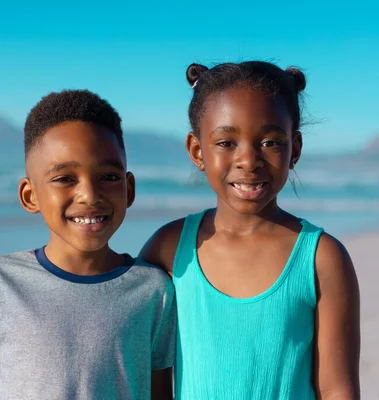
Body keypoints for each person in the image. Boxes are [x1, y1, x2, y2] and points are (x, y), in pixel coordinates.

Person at [139, 62, 360, 399]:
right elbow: (151, 380)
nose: (249, 160)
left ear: (294, 149)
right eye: (226, 143)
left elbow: (337, 389)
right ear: (197, 151)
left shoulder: (321, 258)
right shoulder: (168, 249)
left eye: (270, 142)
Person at [0, 89, 176, 400]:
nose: (90, 195)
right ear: (30, 196)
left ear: (129, 189)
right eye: (65, 178)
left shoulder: (154, 291)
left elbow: (160, 394)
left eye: (108, 177)